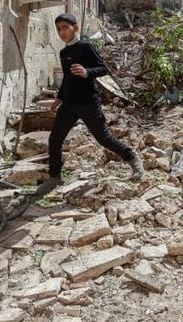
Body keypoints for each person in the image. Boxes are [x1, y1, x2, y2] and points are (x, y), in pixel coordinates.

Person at [36, 13, 144, 194]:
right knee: (55, 139)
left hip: (88, 103)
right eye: (58, 29)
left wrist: (87, 72)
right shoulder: (63, 52)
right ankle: (55, 177)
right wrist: (59, 98)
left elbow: (102, 68)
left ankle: (133, 159)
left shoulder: (85, 47)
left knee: (103, 138)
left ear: (75, 28)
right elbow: (67, 79)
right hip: (69, 105)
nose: (62, 32)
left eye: (65, 28)